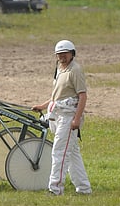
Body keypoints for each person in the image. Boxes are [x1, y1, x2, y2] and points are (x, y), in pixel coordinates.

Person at [32, 40, 92, 195]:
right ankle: (84, 188)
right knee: (72, 153)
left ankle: (55, 188)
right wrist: (43, 106)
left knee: (59, 152)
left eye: (65, 54)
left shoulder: (75, 70)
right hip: (57, 115)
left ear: (72, 54)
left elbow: (82, 96)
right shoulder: (59, 69)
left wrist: (76, 119)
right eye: (59, 54)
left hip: (68, 117)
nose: (62, 57)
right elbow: (57, 96)